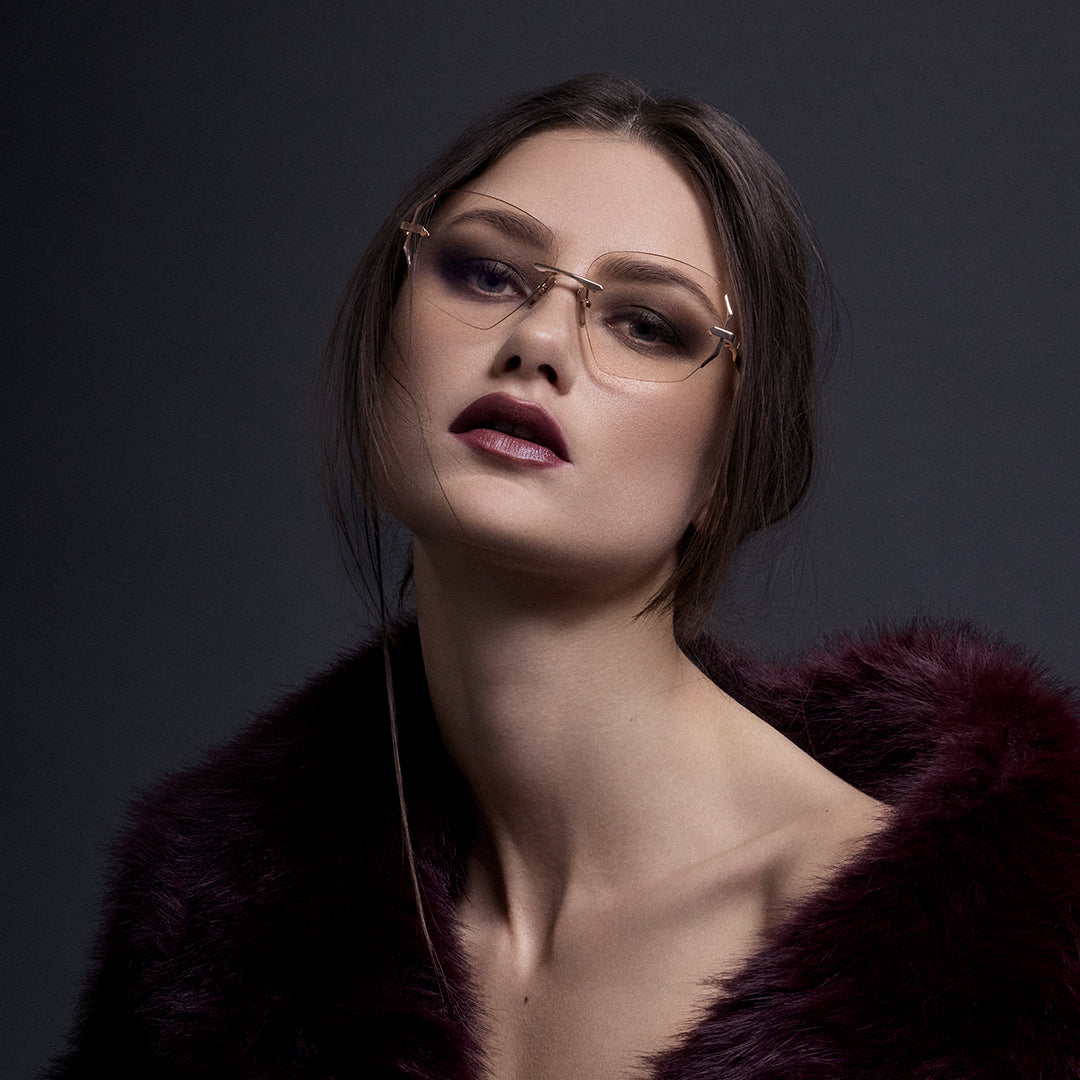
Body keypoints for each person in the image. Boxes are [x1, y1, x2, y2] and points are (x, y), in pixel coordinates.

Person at [49, 74, 1080, 1079]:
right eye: (487, 273)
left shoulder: (988, 966)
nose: (538, 341)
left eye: (647, 322)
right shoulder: (214, 934)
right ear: (383, 335)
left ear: (734, 462)